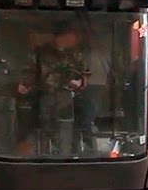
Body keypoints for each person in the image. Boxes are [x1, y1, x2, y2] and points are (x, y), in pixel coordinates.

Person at [19, 21, 98, 155]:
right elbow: (29, 72)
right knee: (44, 112)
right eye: (69, 36)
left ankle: (83, 145)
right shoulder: (41, 53)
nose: (73, 40)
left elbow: (86, 74)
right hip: (47, 93)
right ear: (59, 37)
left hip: (73, 95)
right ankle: (49, 146)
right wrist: (25, 85)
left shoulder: (76, 54)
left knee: (89, 107)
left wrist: (79, 83)